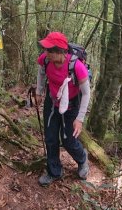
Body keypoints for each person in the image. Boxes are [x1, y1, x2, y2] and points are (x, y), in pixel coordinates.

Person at [36, 31, 90, 186]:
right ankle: (54, 172)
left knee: (69, 141)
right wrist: (39, 91)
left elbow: (86, 93)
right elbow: (40, 72)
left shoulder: (77, 66)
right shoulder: (45, 60)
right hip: (52, 102)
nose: (45, 53)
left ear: (59, 51)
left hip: (72, 105)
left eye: (48, 50)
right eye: (45, 49)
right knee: (51, 138)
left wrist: (79, 119)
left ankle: (82, 159)